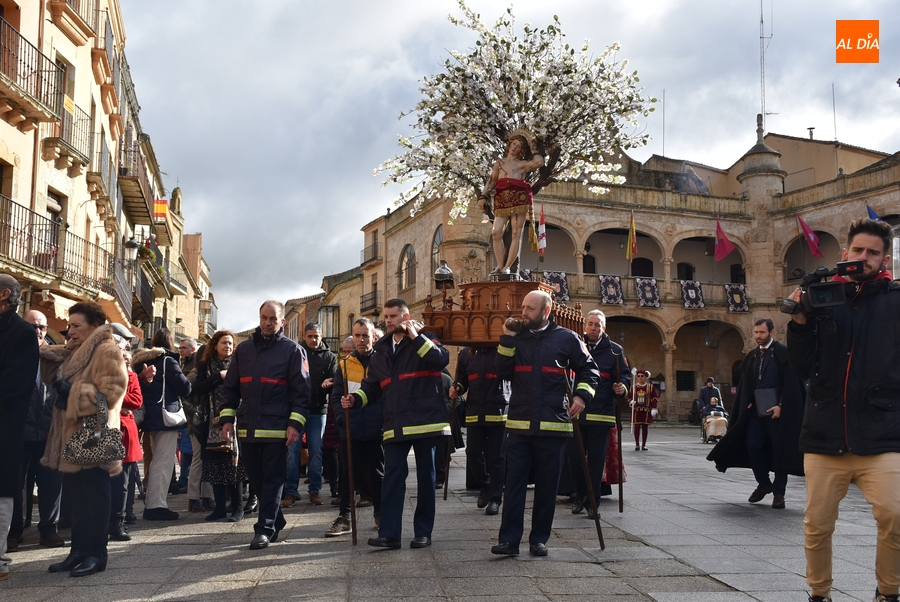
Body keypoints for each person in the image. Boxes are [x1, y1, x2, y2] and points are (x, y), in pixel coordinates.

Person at [786, 218, 900, 602]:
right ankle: (819, 594)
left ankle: (888, 592)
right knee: (817, 525)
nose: (863, 258)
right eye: (858, 250)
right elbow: (801, 368)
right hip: (825, 433)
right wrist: (800, 322)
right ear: (844, 253)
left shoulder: (896, 300)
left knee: (895, 516)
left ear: (885, 258)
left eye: (873, 252)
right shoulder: (824, 298)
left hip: (881, 434)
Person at [491, 290, 599, 557]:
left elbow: (590, 370)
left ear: (546, 312)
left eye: (530, 309)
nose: (524, 312)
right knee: (514, 484)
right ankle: (509, 540)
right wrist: (507, 339)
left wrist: (582, 396)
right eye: (523, 307)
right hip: (519, 424)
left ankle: (539, 539)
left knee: (547, 486)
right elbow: (501, 372)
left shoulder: (568, 339)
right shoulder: (516, 338)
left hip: (554, 425)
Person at [341, 298, 450, 550]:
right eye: (386, 317)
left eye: (393, 316)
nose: (388, 321)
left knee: (426, 479)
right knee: (391, 479)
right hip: (395, 423)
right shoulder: (381, 349)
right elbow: (372, 386)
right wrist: (355, 400)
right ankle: (389, 534)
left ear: (406, 316)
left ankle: (423, 532)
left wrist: (417, 338)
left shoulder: (425, 337)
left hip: (425, 423)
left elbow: (440, 360)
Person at [39, 301, 127, 577]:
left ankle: (96, 554)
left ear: (93, 327)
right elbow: (53, 374)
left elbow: (111, 395)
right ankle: (78, 551)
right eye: (69, 325)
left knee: (96, 497)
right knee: (77, 498)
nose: (70, 331)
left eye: (76, 325)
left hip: (94, 436)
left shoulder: (107, 350)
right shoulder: (77, 351)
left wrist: (72, 390)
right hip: (73, 436)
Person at [220, 301, 311, 550]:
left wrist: (295, 424)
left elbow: (302, 393)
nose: (267, 323)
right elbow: (231, 388)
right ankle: (276, 519)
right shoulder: (244, 350)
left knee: (273, 478)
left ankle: (264, 528)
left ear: (282, 321)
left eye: (273, 319)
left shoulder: (293, 351)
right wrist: (227, 419)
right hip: (248, 427)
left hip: (277, 429)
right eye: (263, 318)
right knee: (257, 479)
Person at [707, 318, 804, 509]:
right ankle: (764, 483)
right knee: (752, 445)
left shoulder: (783, 353)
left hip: (778, 414)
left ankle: (779, 493)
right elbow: (747, 384)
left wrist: (781, 405)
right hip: (756, 413)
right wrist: (747, 404)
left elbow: (792, 383)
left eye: (762, 333)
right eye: (756, 333)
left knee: (780, 451)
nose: (758, 336)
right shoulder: (752, 356)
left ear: (772, 333)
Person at [9, 310, 64, 551]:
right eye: (33, 326)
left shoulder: (53, 358)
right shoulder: (14, 355)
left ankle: (49, 529)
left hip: (49, 433)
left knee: (51, 483)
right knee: (16, 484)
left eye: (42, 327)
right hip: (19, 433)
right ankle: (14, 531)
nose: (38, 331)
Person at [325, 318, 384, 537]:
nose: (361, 340)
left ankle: (380, 513)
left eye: (365, 335)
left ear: (373, 337)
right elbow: (336, 397)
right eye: (357, 335)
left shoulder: (382, 362)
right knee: (348, 473)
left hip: (377, 428)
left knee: (378, 474)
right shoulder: (344, 365)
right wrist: (341, 419)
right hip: (351, 428)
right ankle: (345, 517)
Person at [569, 310, 630, 517]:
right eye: (590, 324)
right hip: (576, 412)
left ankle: (592, 502)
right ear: (586, 325)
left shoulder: (615, 351)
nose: (593, 328)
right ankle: (579, 495)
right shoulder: (577, 346)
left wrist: (623, 388)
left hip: (602, 413)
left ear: (604, 328)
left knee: (595, 461)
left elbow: (625, 376)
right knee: (575, 459)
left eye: (598, 325)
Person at [0, 275, 41, 581]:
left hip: (5, 428)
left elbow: (15, 385)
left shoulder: (23, 333)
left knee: (2, 489)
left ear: (4, 295)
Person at [132, 329, 192, 520]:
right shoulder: (168, 361)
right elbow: (185, 388)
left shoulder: (141, 361)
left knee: (155, 458)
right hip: (166, 417)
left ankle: (153, 501)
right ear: (170, 342)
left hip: (148, 416)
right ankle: (156, 505)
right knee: (164, 461)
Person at [194, 330, 245, 522]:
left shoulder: (238, 365)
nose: (228, 346)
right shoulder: (205, 365)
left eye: (231, 344)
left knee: (235, 463)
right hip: (212, 423)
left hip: (235, 420)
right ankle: (219, 508)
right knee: (215, 465)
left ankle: (238, 507)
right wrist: (218, 377)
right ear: (215, 345)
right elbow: (198, 389)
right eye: (224, 343)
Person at [283, 324, 336, 508]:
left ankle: (315, 490)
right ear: (304, 336)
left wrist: (331, 382)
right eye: (310, 336)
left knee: (316, 451)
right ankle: (291, 491)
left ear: (321, 336)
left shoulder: (329, 356)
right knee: (293, 451)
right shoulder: (295, 353)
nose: (314, 339)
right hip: (296, 410)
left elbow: (336, 378)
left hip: (318, 410)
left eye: (316, 336)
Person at [451, 346, 508, 515]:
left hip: (497, 411)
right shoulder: (466, 353)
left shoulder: (502, 350)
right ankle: (486, 485)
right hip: (475, 411)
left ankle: (495, 499)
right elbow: (462, 379)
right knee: (473, 453)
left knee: (496, 458)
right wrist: (458, 388)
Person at [478, 132, 545, 274]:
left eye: (519, 146)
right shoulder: (499, 163)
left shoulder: (522, 164)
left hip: (518, 199)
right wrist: (483, 196)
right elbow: (491, 181)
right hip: (502, 199)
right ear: (509, 145)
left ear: (521, 150)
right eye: (514, 144)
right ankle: (500, 265)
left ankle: (507, 267)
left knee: (515, 232)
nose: (515, 147)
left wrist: (533, 150)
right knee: (496, 232)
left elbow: (539, 162)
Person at [108, 327, 143, 542]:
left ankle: (118, 523)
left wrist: (114, 397)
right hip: (105, 431)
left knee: (123, 483)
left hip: (124, 432)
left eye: (123, 348)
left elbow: (136, 401)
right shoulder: (99, 372)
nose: (122, 351)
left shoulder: (131, 375)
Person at [629, 370, 659, 450]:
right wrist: (631, 402)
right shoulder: (633, 388)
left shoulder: (650, 387)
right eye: (638, 376)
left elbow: (654, 398)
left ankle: (644, 444)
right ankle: (637, 444)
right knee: (637, 427)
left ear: (646, 377)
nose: (640, 378)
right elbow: (628, 397)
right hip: (637, 410)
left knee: (645, 427)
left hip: (646, 411)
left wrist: (654, 408)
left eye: (642, 376)